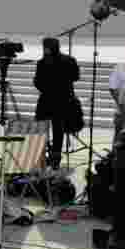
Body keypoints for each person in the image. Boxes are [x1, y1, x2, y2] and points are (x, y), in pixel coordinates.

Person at [33, 37, 81, 170]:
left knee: (40, 128)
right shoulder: (70, 60)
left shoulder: (42, 62)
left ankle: (39, 157)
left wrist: (48, 89)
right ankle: (55, 160)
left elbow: (37, 82)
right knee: (58, 131)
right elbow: (76, 77)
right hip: (64, 101)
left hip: (46, 100)